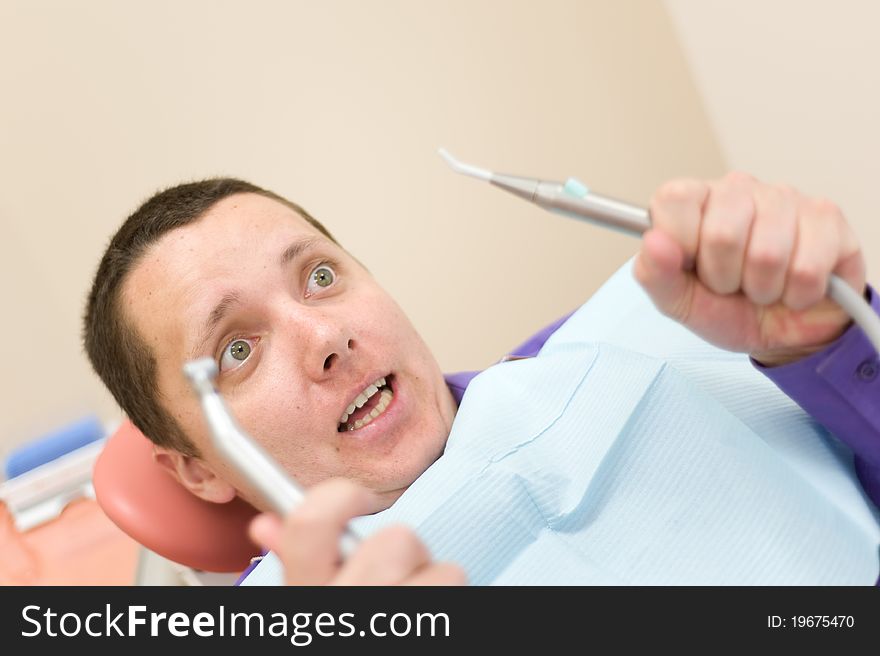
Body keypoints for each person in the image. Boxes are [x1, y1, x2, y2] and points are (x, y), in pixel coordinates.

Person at [83, 173, 880, 585]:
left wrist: (832, 347)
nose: (325, 337)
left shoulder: (639, 340)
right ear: (194, 466)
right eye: (236, 350)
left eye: (320, 276)